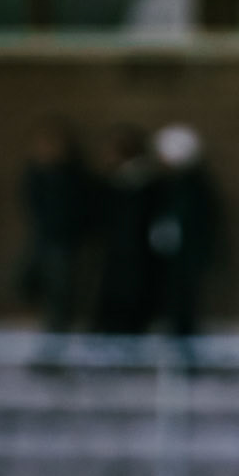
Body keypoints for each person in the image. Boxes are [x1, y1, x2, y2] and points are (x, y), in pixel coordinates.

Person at [18, 115, 95, 333]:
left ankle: (57, 331)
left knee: (61, 290)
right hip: (42, 237)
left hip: (66, 241)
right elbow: (31, 204)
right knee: (28, 282)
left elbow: (83, 208)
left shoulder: (75, 175)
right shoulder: (36, 174)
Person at [148, 123, 218, 339]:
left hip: (185, 261)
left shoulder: (191, 188)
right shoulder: (172, 186)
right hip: (176, 260)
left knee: (182, 305)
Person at [93, 125, 156, 337]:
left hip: (135, 257)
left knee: (130, 306)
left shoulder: (142, 184)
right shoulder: (113, 183)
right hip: (118, 254)